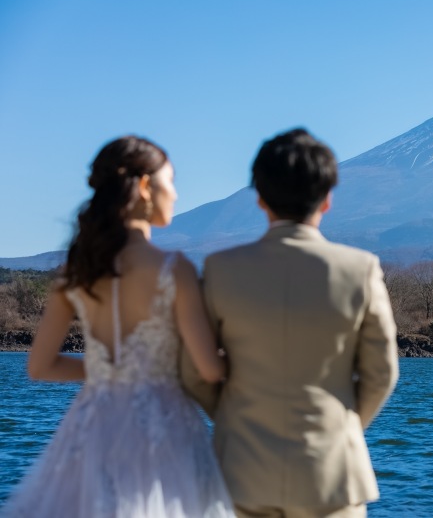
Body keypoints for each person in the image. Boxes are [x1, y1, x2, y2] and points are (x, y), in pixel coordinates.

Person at [2, 136, 236, 517]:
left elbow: (40, 366)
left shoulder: (75, 272)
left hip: (91, 427)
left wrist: (106, 370)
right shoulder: (172, 269)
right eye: (171, 181)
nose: (175, 194)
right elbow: (209, 368)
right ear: (145, 186)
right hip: (163, 428)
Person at [182, 128, 399, 518]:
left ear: (260, 199)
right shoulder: (360, 270)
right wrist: (343, 429)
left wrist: (235, 422)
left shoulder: (221, 270)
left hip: (242, 473)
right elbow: (382, 374)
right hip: (332, 477)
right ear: (328, 199)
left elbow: (193, 371)